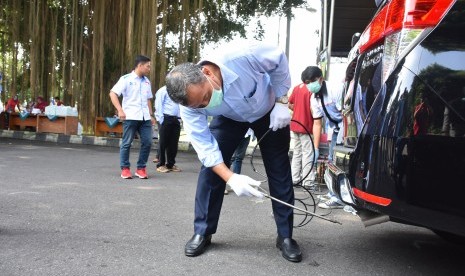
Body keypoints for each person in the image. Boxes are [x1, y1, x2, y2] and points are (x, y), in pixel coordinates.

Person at [165, 42, 302, 262]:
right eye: (200, 106)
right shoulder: (189, 106)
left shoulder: (243, 55)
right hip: (229, 118)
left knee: (279, 169)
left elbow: (278, 59)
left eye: (206, 97)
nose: (206, 105)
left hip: (268, 109)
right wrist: (231, 178)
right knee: (210, 172)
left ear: (207, 73)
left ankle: (285, 236)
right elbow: (205, 149)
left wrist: (281, 100)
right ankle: (203, 231)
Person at [109, 55, 155, 179]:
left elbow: (148, 99)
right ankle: (125, 168)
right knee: (127, 143)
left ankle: (141, 168)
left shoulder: (147, 81)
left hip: (145, 118)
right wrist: (120, 110)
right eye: (148, 66)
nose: (149, 69)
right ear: (140, 65)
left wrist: (151, 115)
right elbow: (113, 93)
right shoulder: (126, 79)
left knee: (147, 142)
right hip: (130, 116)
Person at [308, 66, 345, 209]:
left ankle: (339, 198)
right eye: (307, 82)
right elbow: (317, 124)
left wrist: (344, 138)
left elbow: (345, 114)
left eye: (312, 81)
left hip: (344, 127)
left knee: (338, 163)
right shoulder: (313, 98)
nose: (310, 84)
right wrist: (315, 148)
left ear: (320, 79)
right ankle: (332, 192)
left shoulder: (335, 89)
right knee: (331, 162)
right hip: (333, 128)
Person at [289, 67, 317, 187]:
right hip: (307, 126)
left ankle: (294, 178)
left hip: (295, 125)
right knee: (308, 154)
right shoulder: (312, 90)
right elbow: (314, 110)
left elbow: (290, 103)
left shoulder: (297, 88)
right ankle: (307, 181)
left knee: (297, 153)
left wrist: (297, 111)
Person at [154, 85, 182, 173]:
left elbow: (180, 105)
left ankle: (170, 164)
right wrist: (160, 119)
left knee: (174, 143)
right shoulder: (163, 90)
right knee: (163, 142)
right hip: (165, 118)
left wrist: (180, 118)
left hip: (176, 119)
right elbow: (158, 104)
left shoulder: (178, 91)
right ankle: (161, 164)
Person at [224, 128, 254, 195]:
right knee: (229, 158)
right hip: (234, 131)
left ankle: (235, 185)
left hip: (247, 133)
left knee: (238, 158)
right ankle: (222, 186)